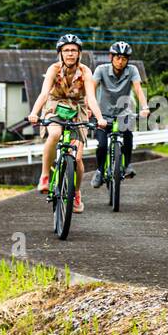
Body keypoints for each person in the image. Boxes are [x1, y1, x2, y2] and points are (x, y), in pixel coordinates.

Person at [27, 34, 106, 213]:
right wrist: (34, 113)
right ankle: (45, 176)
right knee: (54, 134)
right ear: (60, 53)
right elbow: (44, 93)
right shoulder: (53, 69)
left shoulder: (86, 71)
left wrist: (100, 118)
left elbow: (91, 98)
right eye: (66, 50)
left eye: (73, 50)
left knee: (77, 158)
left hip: (78, 110)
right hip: (55, 106)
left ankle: (76, 193)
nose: (70, 54)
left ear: (79, 53)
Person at [91, 41, 150, 188]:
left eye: (124, 58)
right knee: (102, 145)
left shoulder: (132, 70)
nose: (120, 61)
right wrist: (89, 109)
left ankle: (128, 164)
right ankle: (99, 171)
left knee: (128, 135)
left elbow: (138, 89)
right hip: (102, 115)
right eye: (117, 57)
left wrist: (145, 107)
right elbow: (91, 90)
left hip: (123, 113)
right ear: (111, 57)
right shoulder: (101, 69)